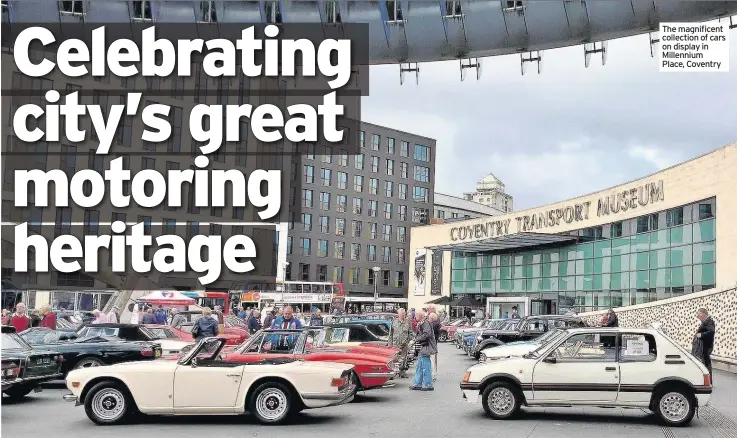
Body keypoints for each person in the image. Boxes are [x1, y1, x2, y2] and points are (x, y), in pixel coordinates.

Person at [410, 310, 436, 391]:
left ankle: (428, 384)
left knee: (425, 366)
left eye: (416, 316)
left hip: (426, 347)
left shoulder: (425, 323)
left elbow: (427, 334)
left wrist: (417, 339)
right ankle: (418, 383)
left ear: (420, 316)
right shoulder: (423, 323)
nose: (415, 317)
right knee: (420, 366)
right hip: (423, 347)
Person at [388, 308, 413, 378]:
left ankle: (402, 372)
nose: (403, 314)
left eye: (404, 313)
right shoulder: (394, 322)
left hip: (404, 345)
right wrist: (390, 345)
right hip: (395, 345)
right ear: (398, 314)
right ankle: (392, 374)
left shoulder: (408, 322)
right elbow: (391, 334)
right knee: (394, 359)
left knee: (403, 359)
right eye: (401, 313)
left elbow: (410, 333)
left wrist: (407, 341)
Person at [694, 308, 716, 379]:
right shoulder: (706, 321)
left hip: (706, 346)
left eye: (698, 314)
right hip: (705, 346)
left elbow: (711, 331)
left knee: (706, 363)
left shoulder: (709, 321)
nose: (697, 316)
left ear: (703, 314)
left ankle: (708, 381)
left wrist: (701, 335)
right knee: (705, 362)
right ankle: (707, 380)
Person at [426, 305, 440, 382]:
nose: (427, 310)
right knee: (431, 358)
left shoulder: (435, 321)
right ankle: (432, 373)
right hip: (432, 342)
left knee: (432, 358)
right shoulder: (431, 318)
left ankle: (433, 374)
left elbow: (432, 332)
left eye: (428, 309)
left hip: (432, 343)